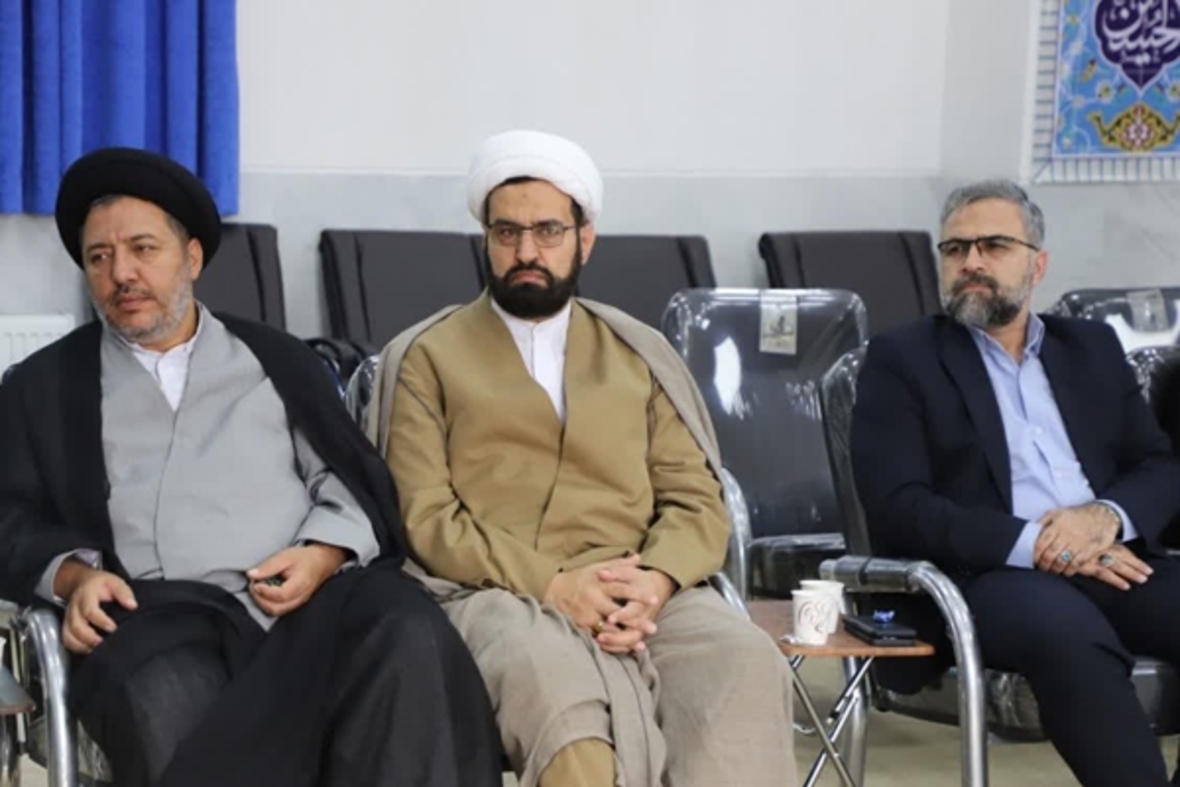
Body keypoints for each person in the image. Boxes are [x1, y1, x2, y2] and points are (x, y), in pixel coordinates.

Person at [0, 147, 501, 787]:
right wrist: (74, 577)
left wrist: (323, 554)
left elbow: (348, 482)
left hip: (306, 604)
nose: (121, 273)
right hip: (159, 617)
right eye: (99, 258)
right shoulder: (44, 385)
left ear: (191, 259)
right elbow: (10, 517)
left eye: (143, 249)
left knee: (408, 632)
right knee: (165, 699)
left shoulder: (278, 359)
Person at [364, 129, 795, 787]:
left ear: (584, 238)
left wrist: (656, 580)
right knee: (567, 716)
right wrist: (555, 585)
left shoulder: (638, 352)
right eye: (506, 233)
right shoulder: (426, 356)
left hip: (641, 589)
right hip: (496, 594)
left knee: (742, 664)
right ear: (484, 240)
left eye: (547, 231)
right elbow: (425, 517)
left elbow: (695, 497)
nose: (526, 252)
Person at [851, 178, 1180, 786]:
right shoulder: (902, 359)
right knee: (1069, 637)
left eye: (994, 246)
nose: (971, 262)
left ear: (1038, 264)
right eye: (955, 249)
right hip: (989, 573)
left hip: (1109, 556)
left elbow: (1159, 465)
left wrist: (1103, 518)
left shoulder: (1091, 347)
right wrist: (1043, 545)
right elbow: (899, 507)